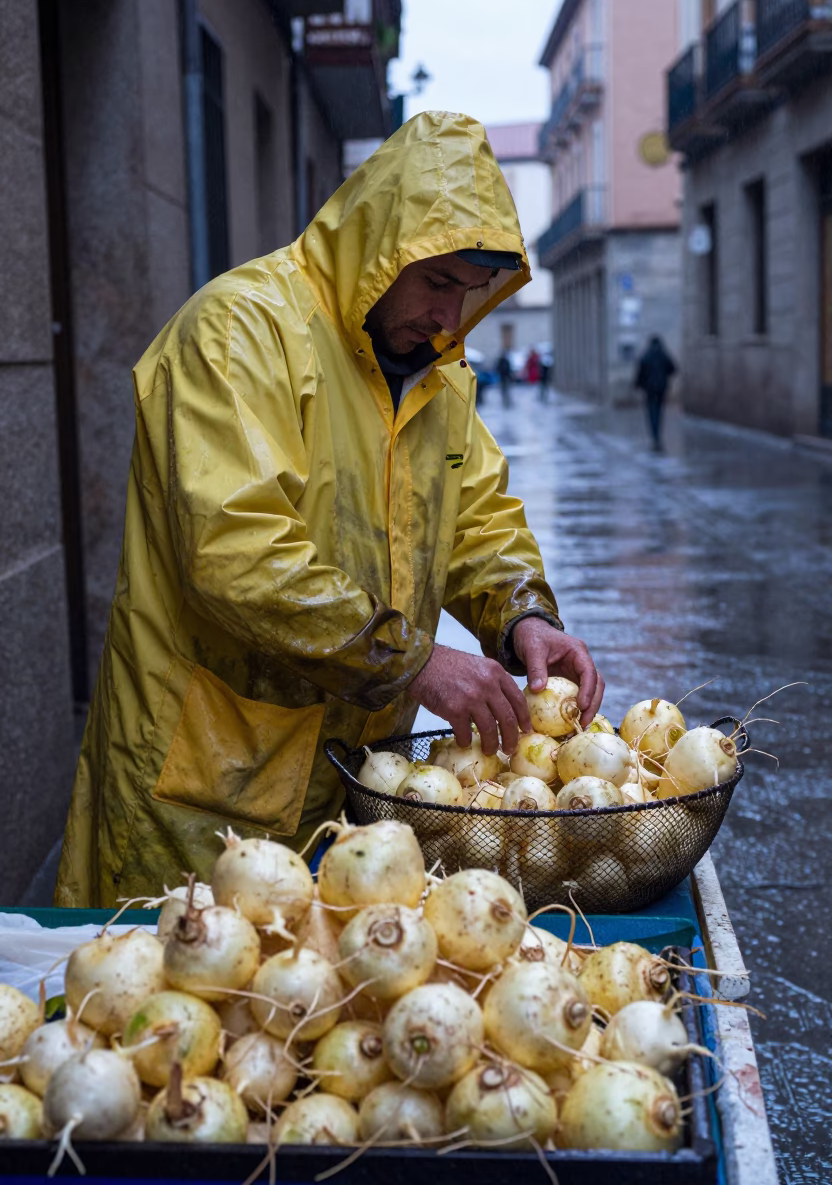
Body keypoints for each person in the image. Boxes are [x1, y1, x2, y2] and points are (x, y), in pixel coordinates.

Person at [54, 111, 603, 907]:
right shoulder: (239, 332)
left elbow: (478, 518)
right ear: (381, 249)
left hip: (361, 784)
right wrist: (415, 661)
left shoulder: (437, 374)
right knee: (191, 991)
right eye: (437, 284)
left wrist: (524, 619)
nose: (450, 319)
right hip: (214, 786)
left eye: (472, 293)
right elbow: (234, 552)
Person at [634, 334, 677, 452]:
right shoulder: (664, 355)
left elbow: (640, 372)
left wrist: (638, 385)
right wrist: (664, 376)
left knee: (651, 411)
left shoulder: (646, 355)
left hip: (649, 389)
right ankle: (657, 435)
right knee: (659, 411)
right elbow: (673, 368)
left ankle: (655, 436)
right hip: (661, 388)